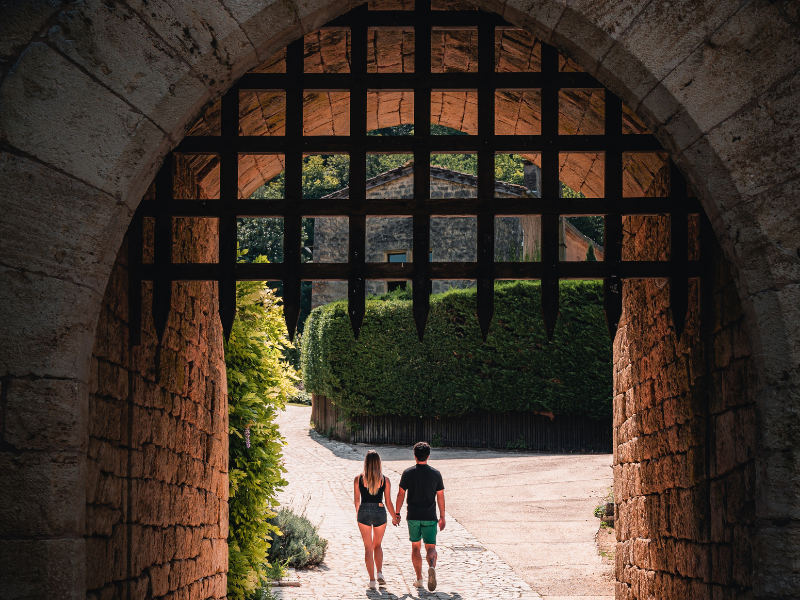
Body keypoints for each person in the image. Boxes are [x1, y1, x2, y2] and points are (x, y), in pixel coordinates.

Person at [394, 441, 446, 591]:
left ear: (414, 455)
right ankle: (432, 567)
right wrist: (442, 516)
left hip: (413, 516)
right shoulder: (436, 474)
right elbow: (440, 497)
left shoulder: (408, 473)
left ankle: (419, 579)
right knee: (430, 546)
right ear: (428, 456)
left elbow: (401, 494)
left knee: (415, 547)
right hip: (430, 516)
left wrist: (397, 513)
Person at [354, 450, 398, 590]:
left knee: (368, 547)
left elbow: (356, 501)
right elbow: (388, 502)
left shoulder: (358, 479)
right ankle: (379, 573)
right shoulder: (384, 480)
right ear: (379, 463)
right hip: (380, 511)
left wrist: (358, 515)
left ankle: (372, 580)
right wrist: (394, 517)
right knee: (377, 545)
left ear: (366, 462)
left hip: (364, 512)